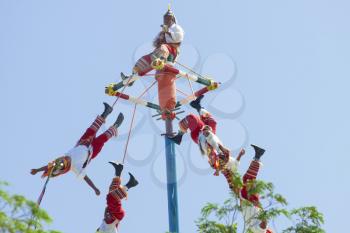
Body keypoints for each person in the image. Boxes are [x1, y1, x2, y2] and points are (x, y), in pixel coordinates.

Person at [30, 103, 124, 195]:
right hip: (91, 151)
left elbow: (49, 166)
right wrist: (95, 188)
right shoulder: (75, 167)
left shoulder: (66, 156)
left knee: (91, 129)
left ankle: (106, 112)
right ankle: (116, 126)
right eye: (63, 164)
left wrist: (37, 170)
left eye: (61, 160)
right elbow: (86, 178)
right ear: (65, 167)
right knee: (102, 138)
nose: (64, 160)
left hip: (84, 142)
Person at [106, 8, 185, 114]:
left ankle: (161, 60)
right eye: (165, 19)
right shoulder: (164, 30)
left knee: (163, 48)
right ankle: (131, 79)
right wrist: (164, 33)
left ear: (172, 19)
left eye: (168, 19)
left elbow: (178, 38)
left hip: (170, 50)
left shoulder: (176, 27)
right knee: (143, 60)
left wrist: (168, 32)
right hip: (159, 52)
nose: (166, 21)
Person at [239, 145, 274, 233]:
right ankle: (258, 156)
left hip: (249, 203)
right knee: (248, 180)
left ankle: (257, 156)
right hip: (251, 203)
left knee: (247, 179)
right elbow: (264, 224)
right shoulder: (259, 231)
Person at [96, 162, 139, 233]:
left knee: (112, 193)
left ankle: (118, 171)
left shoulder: (100, 229)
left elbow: (104, 221)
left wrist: (107, 211)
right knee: (110, 197)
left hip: (112, 212)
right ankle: (130, 184)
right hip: (117, 215)